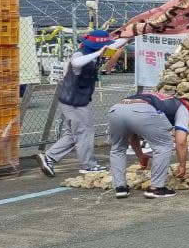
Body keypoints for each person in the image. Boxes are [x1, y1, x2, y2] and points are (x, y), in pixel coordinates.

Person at [38, 30, 126, 177]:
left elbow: (118, 43)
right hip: (75, 101)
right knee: (84, 132)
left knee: (72, 135)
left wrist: (135, 33)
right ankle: (88, 166)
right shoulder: (81, 55)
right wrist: (99, 53)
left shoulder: (93, 52)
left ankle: (49, 157)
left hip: (71, 99)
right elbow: (76, 62)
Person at [105, 90, 189, 199]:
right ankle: (156, 188)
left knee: (117, 149)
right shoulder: (183, 107)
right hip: (142, 110)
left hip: (116, 109)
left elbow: (132, 134)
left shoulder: (160, 98)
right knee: (163, 146)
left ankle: (120, 188)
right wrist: (182, 166)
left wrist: (140, 155)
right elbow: (181, 141)